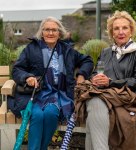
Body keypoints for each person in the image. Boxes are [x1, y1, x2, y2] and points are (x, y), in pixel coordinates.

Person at [10, 16, 94, 150]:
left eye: (54, 30)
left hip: (58, 94)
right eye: (47, 30)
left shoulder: (67, 50)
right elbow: (17, 69)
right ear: (41, 32)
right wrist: (27, 77)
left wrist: (81, 75)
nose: (50, 33)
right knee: (36, 115)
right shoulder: (31, 48)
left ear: (59, 33)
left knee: (50, 113)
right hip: (36, 93)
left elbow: (87, 60)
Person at [85, 11, 136, 150]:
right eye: (116, 28)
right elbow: (97, 72)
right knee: (95, 105)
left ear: (131, 31)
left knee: (93, 110)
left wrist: (110, 82)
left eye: (125, 28)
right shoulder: (106, 52)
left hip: (126, 100)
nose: (121, 32)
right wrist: (95, 78)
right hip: (105, 97)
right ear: (111, 32)